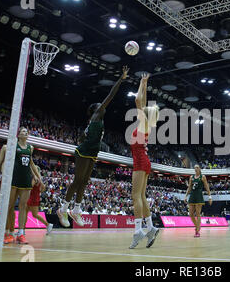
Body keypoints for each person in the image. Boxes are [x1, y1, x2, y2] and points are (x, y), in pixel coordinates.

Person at [57, 66, 129, 228]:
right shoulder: (96, 116)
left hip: (92, 152)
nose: (103, 107)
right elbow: (111, 95)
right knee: (77, 180)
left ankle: (76, 210)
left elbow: (83, 136)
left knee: (84, 182)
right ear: (95, 110)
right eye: (99, 105)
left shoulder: (95, 122)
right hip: (84, 151)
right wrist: (121, 79)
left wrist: (87, 137)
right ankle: (63, 209)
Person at [129, 73, 160, 249]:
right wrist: (145, 83)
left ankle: (138, 231)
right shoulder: (146, 124)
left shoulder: (143, 123)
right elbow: (142, 100)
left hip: (140, 161)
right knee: (141, 196)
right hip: (143, 161)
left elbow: (137, 101)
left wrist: (141, 83)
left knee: (136, 196)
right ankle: (150, 227)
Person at [0, 127, 41, 244]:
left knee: (23, 207)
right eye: (23, 131)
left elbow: (31, 163)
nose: (26, 133)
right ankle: (8, 232)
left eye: (27, 131)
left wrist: (38, 176)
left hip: (26, 179)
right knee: (9, 206)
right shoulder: (10, 147)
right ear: (18, 135)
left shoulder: (30, 148)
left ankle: (21, 233)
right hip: (13, 179)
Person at [184, 165, 212, 237]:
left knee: (198, 214)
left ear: (199, 169)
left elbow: (206, 187)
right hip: (192, 195)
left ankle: (197, 231)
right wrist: (186, 196)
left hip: (199, 195)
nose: (195, 168)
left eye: (197, 167)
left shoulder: (203, 177)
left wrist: (210, 197)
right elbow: (189, 187)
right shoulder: (191, 177)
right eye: (195, 167)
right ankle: (197, 227)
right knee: (190, 214)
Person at [24, 165, 53, 235]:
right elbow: (43, 188)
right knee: (25, 213)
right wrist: (38, 192)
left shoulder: (35, 178)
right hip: (33, 197)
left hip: (33, 198)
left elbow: (30, 186)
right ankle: (22, 230)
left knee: (35, 214)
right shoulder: (40, 179)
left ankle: (48, 225)